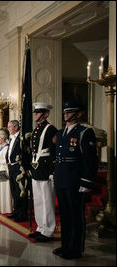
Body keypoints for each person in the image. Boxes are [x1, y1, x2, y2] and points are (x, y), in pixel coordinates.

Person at [53, 99, 98, 259]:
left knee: (75, 214)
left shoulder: (84, 132)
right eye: (65, 112)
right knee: (64, 215)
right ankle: (65, 245)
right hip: (61, 178)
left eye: (70, 112)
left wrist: (86, 181)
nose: (66, 114)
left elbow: (90, 160)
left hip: (74, 180)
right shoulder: (60, 133)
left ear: (79, 114)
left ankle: (75, 249)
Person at [27, 103, 58, 242]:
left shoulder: (51, 129)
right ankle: (40, 227)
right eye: (35, 112)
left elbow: (54, 151)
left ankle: (49, 230)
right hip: (36, 167)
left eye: (38, 112)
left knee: (47, 200)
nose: (35, 115)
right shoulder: (36, 129)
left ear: (46, 114)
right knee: (38, 200)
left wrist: (52, 171)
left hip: (45, 168)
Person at [6, 120, 29, 222]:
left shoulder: (21, 138)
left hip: (19, 168)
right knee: (14, 191)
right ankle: (16, 211)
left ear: (16, 127)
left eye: (10, 127)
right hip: (11, 167)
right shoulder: (11, 139)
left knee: (21, 191)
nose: (8, 129)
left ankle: (22, 214)